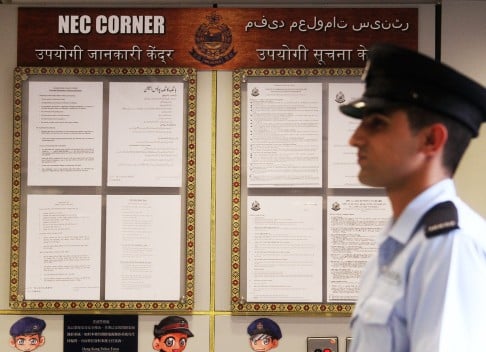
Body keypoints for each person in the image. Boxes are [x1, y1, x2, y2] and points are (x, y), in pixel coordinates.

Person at [339, 43, 486, 351]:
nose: (355, 139)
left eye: (377, 124)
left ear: (431, 140)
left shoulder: (449, 246)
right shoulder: (402, 243)